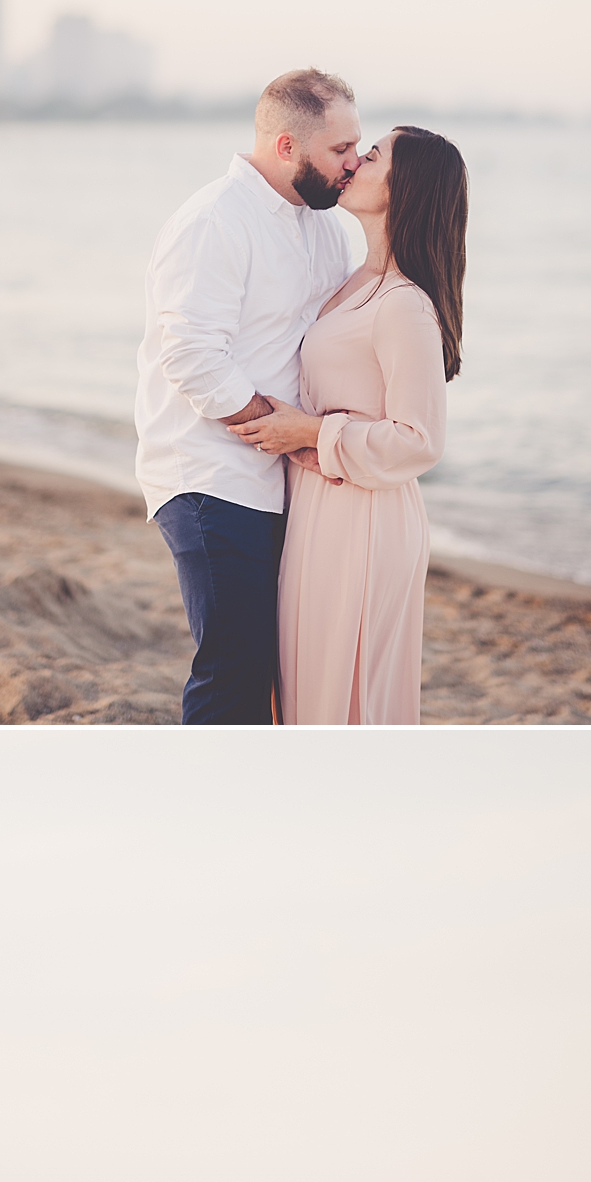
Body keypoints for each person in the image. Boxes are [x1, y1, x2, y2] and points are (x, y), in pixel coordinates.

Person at [134, 68, 361, 723]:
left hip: (281, 479)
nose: (352, 164)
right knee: (234, 665)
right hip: (210, 475)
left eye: (355, 148)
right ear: (287, 146)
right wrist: (284, 429)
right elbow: (193, 355)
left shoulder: (326, 229)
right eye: (340, 150)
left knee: (275, 668)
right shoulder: (213, 221)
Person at [228, 126, 467, 724]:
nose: (356, 161)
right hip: (319, 506)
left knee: (347, 693)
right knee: (308, 686)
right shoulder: (354, 280)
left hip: (365, 518)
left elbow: (420, 441)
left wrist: (311, 434)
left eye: (374, 154)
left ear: (402, 187)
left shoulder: (405, 304)